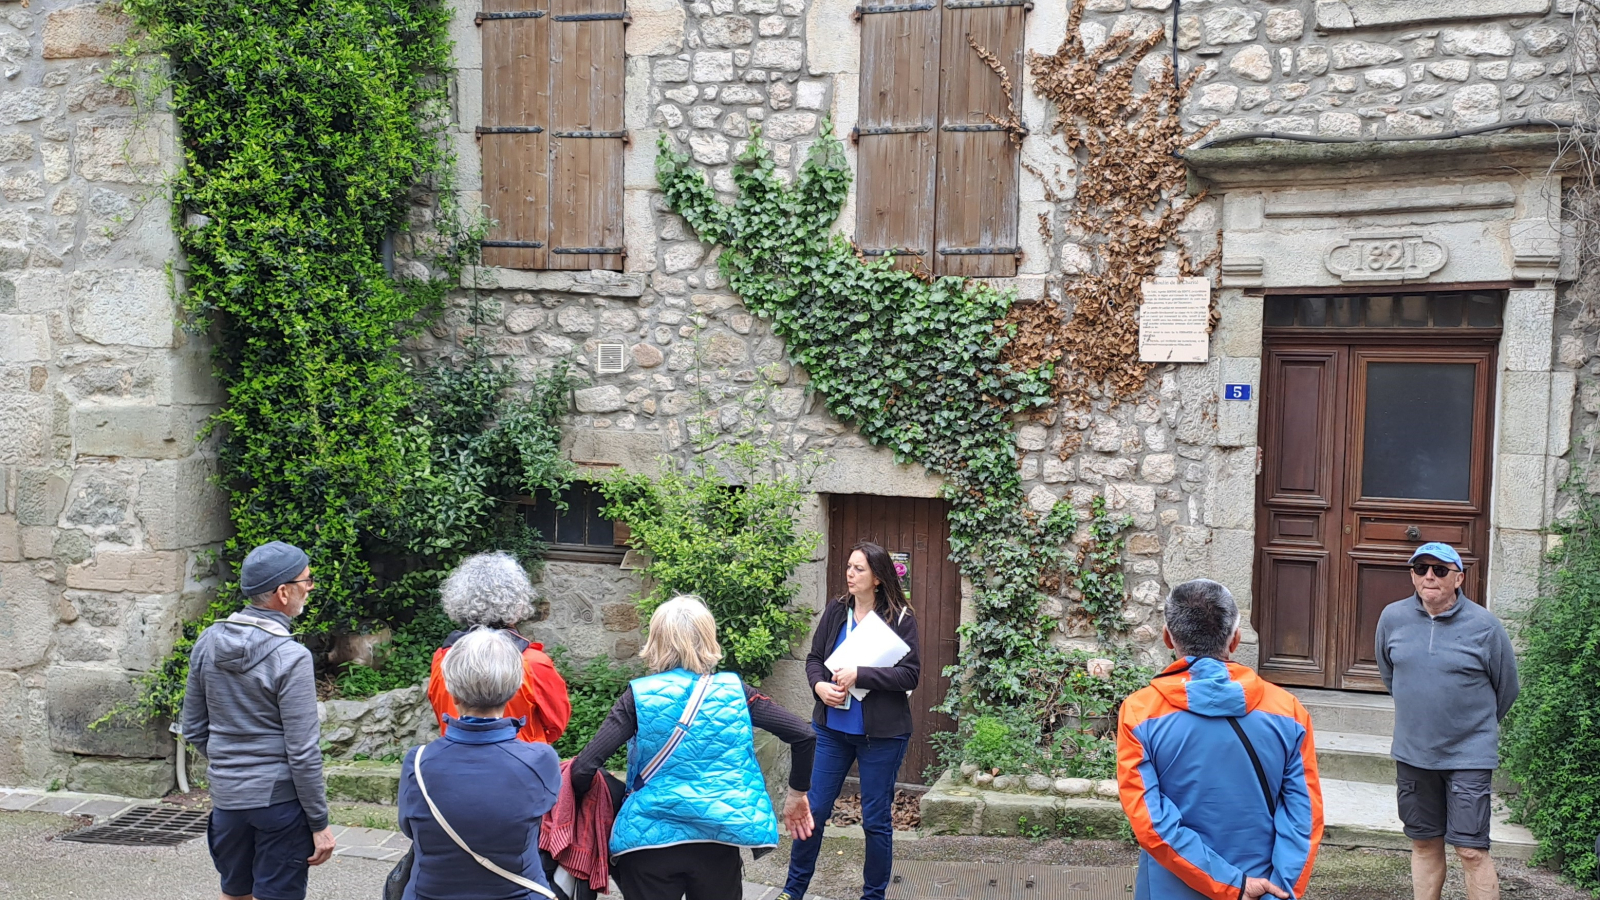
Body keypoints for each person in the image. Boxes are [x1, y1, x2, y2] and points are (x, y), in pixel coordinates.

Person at [571, 595, 816, 900]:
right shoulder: (735, 692)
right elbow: (804, 735)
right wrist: (796, 795)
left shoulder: (639, 696)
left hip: (648, 844)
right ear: (708, 637)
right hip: (717, 840)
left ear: (657, 640)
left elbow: (583, 769)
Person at [1117, 579, 1323, 900]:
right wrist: (1279, 892)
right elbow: (1303, 817)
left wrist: (1233, 884)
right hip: (1266, 885)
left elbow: (1152, 825)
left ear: (1168, 638)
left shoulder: (1139, 713)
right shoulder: (1289, 711)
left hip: (1170, 887)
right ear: (1236, 639)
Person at [182, 540, 337, 900]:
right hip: (279, 806)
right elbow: (302, 751)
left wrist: (231, 765)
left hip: (227, 801)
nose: (311, 588)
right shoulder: (291, 656)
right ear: (284, 593)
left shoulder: (208, 642)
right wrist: (319, 823)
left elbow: (192, 726)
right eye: (307, 580)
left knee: (235, 893)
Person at [1376, 542, 1519, 900]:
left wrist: (1469, 727)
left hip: (1468, 756)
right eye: (1421, 568)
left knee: (1471, 850)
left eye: (1440, 570)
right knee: (1424, 843)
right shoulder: (1392, 618)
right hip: (1413, 753)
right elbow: (1391, 676)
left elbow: (1507, 689)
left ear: (1459, 578)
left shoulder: (1485, 626)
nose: (1429, 576)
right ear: (1412, 575)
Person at [780, 541, 920, 900]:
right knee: (814, 810)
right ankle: (792, 892)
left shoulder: (901, 618)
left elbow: (910, 676)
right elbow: (814, 659)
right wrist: (819, 686)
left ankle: (873, 896)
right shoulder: (835, 610)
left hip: (882, 737)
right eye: (848, 567)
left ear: (877, 577)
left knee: (875, 822)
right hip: (830, 732)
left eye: (858, 569)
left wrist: (862, 674)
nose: (850, 574)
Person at [399, 626, 563, 900]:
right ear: (512, 689)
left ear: (451, 689)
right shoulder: (540, 760)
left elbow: (409, 828)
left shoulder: (417, 762)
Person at [428, 551, 571, 745]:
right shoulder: (534, 664)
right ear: (518, 605)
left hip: (454, 765)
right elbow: (556, 725)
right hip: (521, 768)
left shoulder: (443, 659)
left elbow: (442, 715)